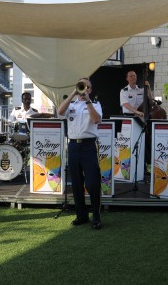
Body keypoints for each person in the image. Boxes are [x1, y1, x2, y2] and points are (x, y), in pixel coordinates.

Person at [57, 77, 103, 230]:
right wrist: (73, 93)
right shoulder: (71, 105)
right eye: (81, 86)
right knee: (76, 183)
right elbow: (59, 112)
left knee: (93, 183)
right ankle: (81, 215)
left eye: (86, 87)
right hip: (73, 146)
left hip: (89, 146)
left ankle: (96, 216)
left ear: (90, 90)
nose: (83, 89)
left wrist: (88, 101)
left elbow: (97, 120)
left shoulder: (95, 104)